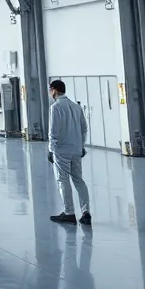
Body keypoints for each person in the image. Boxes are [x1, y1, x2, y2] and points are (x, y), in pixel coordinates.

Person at [48, 79, 91, 226]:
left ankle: (69, 213)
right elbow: (84, 128)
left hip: (61, 150)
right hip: (76, 149)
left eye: (50, 90)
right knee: (79, 180)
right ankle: (86, 212)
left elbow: (53, 130)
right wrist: (81, 145)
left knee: (63, 180)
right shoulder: (76, 107)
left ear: (54, 90)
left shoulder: (56, 107)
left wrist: (50, 149)